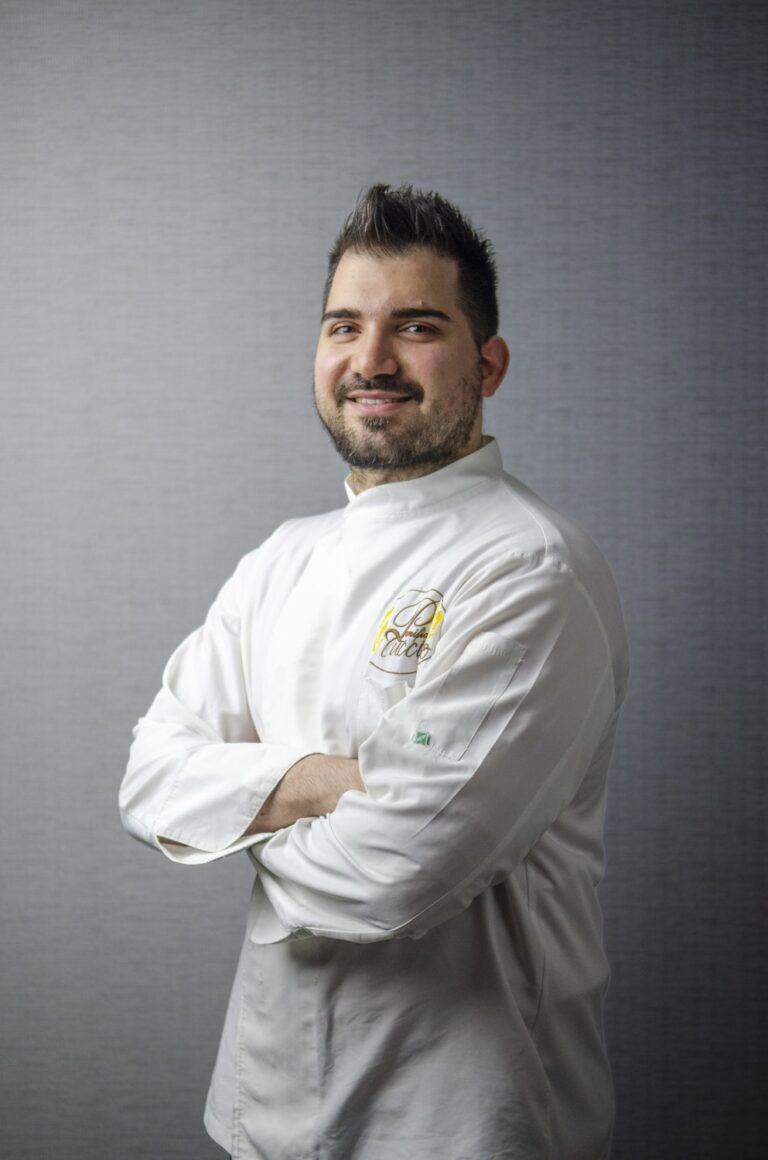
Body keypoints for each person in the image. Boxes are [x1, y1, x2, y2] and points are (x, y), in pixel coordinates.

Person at [119, 184, 629, 1160]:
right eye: (343, 325)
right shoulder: (281, 559)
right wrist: (322, 783)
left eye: (416, 325)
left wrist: (232, 810)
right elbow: (147, 779)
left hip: (467, 1122)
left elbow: (392, 875)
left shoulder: (533, 569)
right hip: (265, 1107)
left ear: (490, 364)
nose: (371, 360)